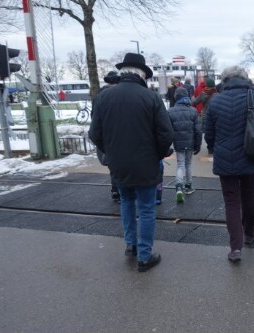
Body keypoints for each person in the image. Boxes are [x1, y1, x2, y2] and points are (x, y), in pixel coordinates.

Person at [89, 53, 174, 272]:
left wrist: (112, 151)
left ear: (123, 72)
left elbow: (94, 134)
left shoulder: (104, 97)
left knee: (126, 202)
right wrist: (159, 153)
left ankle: (131, 245)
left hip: (118, 163)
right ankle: (144, 257)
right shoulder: (151, 98)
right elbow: (165, 134)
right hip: (146, 163)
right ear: (142, 75)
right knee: (146, 209)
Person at [204, 65, 254, 263]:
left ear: (225, 80)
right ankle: (249, 233)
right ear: (244, 78)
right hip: (250, 155)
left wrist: (215, 147)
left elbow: (208, 131)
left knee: (231, 201)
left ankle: (235, 248)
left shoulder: (216, 101)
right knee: (248, 195)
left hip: (225, 158)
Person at [168, 87, 202, 203]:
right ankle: (188, 186)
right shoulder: (193, 111)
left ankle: (178, 186)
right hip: (190, 142)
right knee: (188, 164)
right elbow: (198, 130)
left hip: (178, 142)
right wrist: (198, 145)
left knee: (180, 164)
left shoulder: (170, 111)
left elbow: (168, 130)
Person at [93, 71, 121, 201]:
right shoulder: (120, 94)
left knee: (112, 164)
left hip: (105, 135)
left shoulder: (99, 95)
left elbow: (94, 120)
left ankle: (115, 188)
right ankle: (121, 188)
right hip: (119, 132)